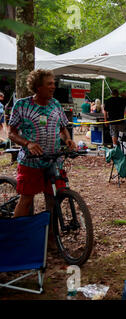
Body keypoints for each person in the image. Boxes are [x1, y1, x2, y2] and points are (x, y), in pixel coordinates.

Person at [8, 69, 77, 218]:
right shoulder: (22, 105)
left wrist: (68, 139)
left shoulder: (56, 104)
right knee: (26, 200)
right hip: (30, 162)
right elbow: (11, 133)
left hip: (53, 161)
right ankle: (16, 237)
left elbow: (63, 127)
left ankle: (51, 238)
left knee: (52, 200)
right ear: (38, 87)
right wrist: (28, 143)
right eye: (49, 84)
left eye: (54, 83)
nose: (53, 86)